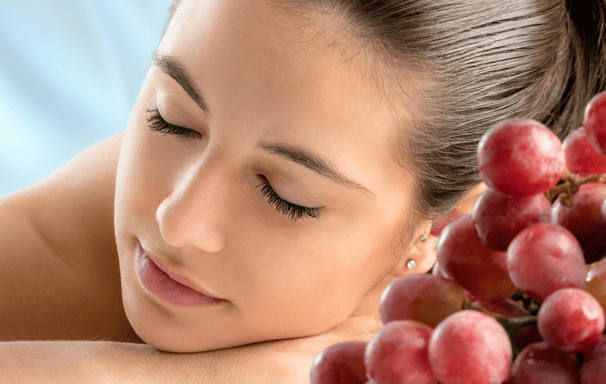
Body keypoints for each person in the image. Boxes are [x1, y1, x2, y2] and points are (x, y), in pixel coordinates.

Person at [1, 0, 604, 382]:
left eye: (283, 194)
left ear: (449, 226)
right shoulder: (100, 217)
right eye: (172, 118)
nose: (176, 219)